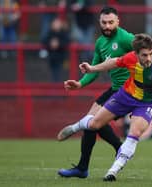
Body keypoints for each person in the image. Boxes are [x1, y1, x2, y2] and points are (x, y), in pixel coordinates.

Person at [57, 33, 152, 181]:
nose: (149, 58)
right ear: (136, 54)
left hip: (147, 103)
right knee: (94, 124)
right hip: (126, 95)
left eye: (151, 54)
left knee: (135, 132)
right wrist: (92, 68)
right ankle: (77, 126)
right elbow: (114, 62)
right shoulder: (130, 58)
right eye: (145, 55)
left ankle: (112, 171)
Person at [57, 6, 135, 178]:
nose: (107, 26)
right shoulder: (100, 42)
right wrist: (79, 83)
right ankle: (85, 167)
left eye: (111, 22)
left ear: (118, 22)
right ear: (99, 22)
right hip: (115, 88)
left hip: (129, 90)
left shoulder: (126, 38)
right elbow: (94, 70)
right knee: (90, 122)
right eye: (104, 22)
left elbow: (147, 54)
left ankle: (86, 165)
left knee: (92, 122)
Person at [42, 17, 70, 82]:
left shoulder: (63, 33)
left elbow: (67, 42)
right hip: (51, 57)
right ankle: (54, 85)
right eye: (55, 24)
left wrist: (58, 44)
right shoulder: (50, 33)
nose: (56, 25)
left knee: (60, 73)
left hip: (61, 57)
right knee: (53, 73)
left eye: (58, 24)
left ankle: (58, 85)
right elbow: (43, 41)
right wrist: (50, 43)